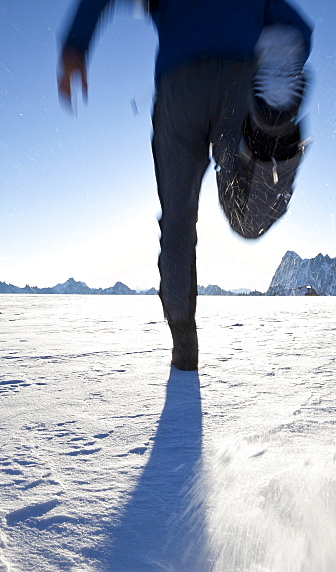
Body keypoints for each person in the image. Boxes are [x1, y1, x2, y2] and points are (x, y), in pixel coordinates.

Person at [58, 0, 312, 371]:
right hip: (240, 76)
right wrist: (289, 44)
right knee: (247, 218)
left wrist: (75, 44)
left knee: (177, 222)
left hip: (179, 88)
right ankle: (274, 134)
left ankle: (184, 350)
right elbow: (295, 26)